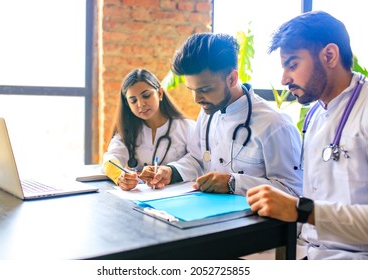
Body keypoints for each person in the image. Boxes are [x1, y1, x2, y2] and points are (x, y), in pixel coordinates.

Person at [246, 11, 368, 260]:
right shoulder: (314, 115)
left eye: (293, 64)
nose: (284, 79)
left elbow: (307, 209)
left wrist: (302, 210)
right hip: (311, 251)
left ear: (329, 56)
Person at [140, 33, 302, 197]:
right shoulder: (208, 113)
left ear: (232, 78)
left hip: (256, 221)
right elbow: (198, 159)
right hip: (212, 218)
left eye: (205, 90)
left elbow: (293, 191)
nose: (197, 99)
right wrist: (171, 171)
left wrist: (233, 183)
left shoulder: (275, 125)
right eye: (192, 90)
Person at [102, 68, 196, 191]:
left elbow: (197, 161)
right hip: (141, 200)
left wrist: (171, 171)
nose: (141, 104)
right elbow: (110, 159)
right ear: (128, 105)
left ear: (160, 93)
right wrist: (120, 176)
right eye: (133, 100)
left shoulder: (186, 127)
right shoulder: (127, 130)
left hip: (179, 197)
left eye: (146, 96)